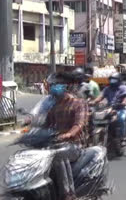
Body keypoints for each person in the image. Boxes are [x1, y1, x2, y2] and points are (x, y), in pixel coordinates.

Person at [43, 72, 88, 200]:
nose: (53, 88)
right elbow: (46, 125)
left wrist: (67, 134)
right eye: (52, 85)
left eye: (56, 85)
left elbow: (79, 125)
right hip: (55, 144)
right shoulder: (54, 106)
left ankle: (68, 193)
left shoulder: (79, 103)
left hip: (74, 145)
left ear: (65, 86)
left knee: (58, 154)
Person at [90, 72, 126, 146]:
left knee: (121, 119)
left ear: (118, 80)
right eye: (111, 80)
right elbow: (101, 97)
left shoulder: (122, 88)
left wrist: (124, 102)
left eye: (114, 80)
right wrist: (94, 102)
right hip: (109, 108)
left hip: (120, 108)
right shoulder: (107, 89)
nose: (112, 81)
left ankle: (122, 138)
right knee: (98, 118)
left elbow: (125, 97)